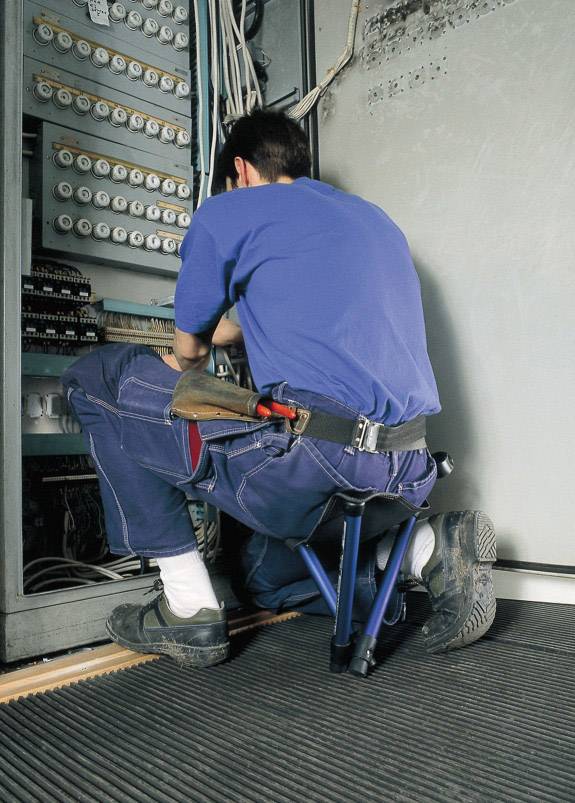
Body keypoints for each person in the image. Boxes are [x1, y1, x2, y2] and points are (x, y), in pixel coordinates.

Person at [63, 110, 496, 668]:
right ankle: (422, 549)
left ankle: (188, 609)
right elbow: (257, 321)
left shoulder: (230, 211)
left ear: (239, 171)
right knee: (262, 583)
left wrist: (175, 346)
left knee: (99, 377)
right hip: (407, 470)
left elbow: (190, 354)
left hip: (316, 460)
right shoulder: (374, 221)